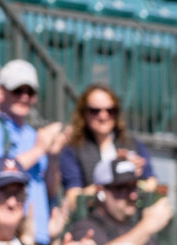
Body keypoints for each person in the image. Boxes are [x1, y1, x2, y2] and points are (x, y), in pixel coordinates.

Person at [0, 59, 62, 245]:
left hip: (40, 236)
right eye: (17, 91)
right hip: (5, 235)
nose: (24, 97)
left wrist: (53, 155)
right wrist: (39, 149)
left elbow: (50, 190)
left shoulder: (34, 134)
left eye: (30, 92)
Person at [47, 83, 153, 216]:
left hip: (129, 222)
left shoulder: (132, 144)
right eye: (95, 111)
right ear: (84, 113)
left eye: (110, 110)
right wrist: (115, 171)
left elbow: (152, 184)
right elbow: (73, 198)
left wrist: (134, 175)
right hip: (94, 223)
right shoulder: (73, 150)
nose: (103, 116)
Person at [55, 157, 171, 245]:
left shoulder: (137, 228)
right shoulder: (85, 229)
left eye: (134, 187)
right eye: (122, 188)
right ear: (101, 190)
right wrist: (147, 227)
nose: (132, 195)